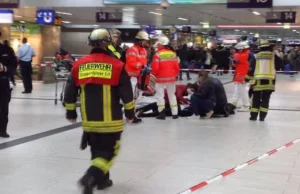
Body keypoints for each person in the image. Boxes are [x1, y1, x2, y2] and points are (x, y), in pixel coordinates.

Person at [63, 28, 135, 194]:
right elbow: (126, 93)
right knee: (109, 152)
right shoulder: (117, 65)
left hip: (89, 121)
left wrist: (71, 112)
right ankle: (90, 177)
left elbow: (70, 91)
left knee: (97, 150)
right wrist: (130, 114)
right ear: (107, 44)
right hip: (111, 121)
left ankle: (102, 181)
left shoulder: (79, 65)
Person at [151, 35, 180, 120]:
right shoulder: (173, 54)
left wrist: (153, 76)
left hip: (160, 79)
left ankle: (161, 113)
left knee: (160, 96)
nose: (157, 45)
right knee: (172, 95)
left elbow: (155, 68)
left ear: (161, 44)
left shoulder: (157, 55)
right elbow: (177, 68)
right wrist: (175, 75)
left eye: (158, 44)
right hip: (171, 79)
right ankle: (175, 113)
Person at [246, 39, 276, 121]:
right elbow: (280, 64)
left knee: (256, 99)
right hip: (270, 81)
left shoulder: (256, 56)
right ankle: (262, 117)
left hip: (258, 82)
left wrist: (247, 78)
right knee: (266, 100)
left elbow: (251, 69)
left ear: (260, 47)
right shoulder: (273, 56)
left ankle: (253, 116)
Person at [125, 30, 149, 123]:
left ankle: (132, 114)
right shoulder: (131, 50)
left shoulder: (143, 50)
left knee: (138, 96)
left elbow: (144, 62)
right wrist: (141, 65)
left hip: (140, 77)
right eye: (144, 41)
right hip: (132, 77)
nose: (146, 43)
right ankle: (130, 115)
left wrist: (145, 67)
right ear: (139, 41)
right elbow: (131, 62)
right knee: (132, 97)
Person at [0, 34, 17, 138]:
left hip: (3, 82)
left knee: (3, 107)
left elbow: (13, 65)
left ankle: (2, 130)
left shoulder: (7, 50)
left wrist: (5, 69)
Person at [231, 41, 250, 111]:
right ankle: (234, 103)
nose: (239, 50)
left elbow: (236, 58)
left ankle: (246, 105)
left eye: (241, 49)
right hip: (239, 73)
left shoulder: (245, 54)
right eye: (238, 49)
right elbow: (234, 64)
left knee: (242, 90)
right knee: (238, 89)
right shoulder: (241, 54)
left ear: (244, 48)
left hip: (243, 74)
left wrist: (234, 55)